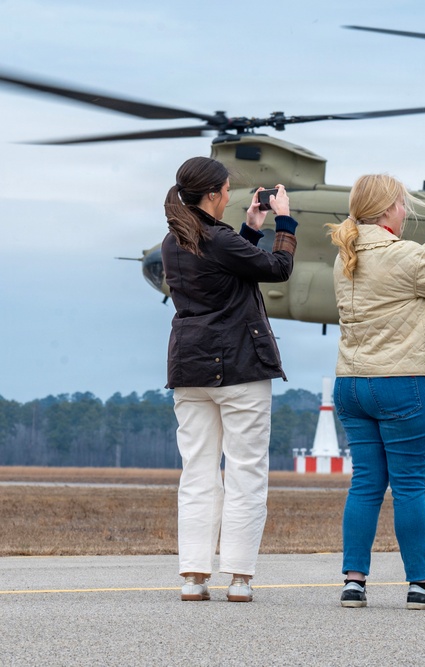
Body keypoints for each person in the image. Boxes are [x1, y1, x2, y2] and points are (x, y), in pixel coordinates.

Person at [327, 174, 425, 610]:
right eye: (400, 204)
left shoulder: (347, 256)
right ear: (385, 209)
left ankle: (354, 582)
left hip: (353, 384)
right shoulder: (405, 257)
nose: (405, 211)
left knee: (366, 484)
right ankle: (418, 585)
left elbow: (393, 280)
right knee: (410, 486)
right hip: (404, 385)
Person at [162, 156, 298, 603]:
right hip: (240, 367)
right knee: (245, 471)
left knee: (197, 472)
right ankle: (239, 577)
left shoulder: (173, 240)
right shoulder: (216, 239)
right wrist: (285, 222)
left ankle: (193, 577)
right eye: (225, 190)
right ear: (214, 194)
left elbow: (223, 271)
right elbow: (277, 268)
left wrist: (249, 230)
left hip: (190, 368)